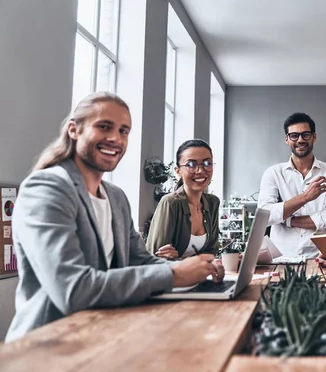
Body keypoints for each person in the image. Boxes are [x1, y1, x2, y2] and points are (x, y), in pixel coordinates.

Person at [6, 92, 223, 342]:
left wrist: (195, 269)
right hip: (50, 344)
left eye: (123, 131)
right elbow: (72, 289)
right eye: (104, 127)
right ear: (74, 130)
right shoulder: (46, 189)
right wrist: (173, 275)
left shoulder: (115, 197)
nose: (115, 138)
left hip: (103, 336)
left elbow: (140, 261)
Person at [258, 112, 326, 258]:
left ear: (314, 137)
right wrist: (305, 197)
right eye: (294, 135)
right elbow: (265, 216)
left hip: (319, 257)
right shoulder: (273, 173)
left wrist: (287, 220)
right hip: (280, 258)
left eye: (305, 135)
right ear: (287, 139)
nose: (300, 140)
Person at [146, 139, 221, 259]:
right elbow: (155, 258)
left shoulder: (213, 203)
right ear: (178, 171)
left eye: (207, 163)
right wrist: (189, 261)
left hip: (198, 276)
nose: (201, 171)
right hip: (169, 277)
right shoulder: (170, 203)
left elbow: (211, 251)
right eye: (191, 165)